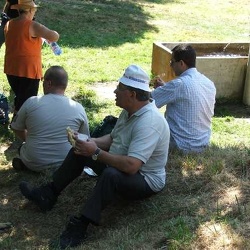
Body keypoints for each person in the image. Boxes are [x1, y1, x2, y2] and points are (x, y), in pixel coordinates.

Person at [19, 64, 170, 248]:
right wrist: (86, 141)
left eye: (119, 88)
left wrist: (96, 152)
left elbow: (132, 166)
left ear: (132, 94)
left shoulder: (149, 122)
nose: (115, 91)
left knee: (111, 175)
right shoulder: (129, 111)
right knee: (79, 150)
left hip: (145, 179)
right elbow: (112, 139)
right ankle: (48, 194)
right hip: (122, 164)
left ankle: (81, 225)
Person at [11, 66, 90, 172]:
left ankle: (26, 165)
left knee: (22, 148)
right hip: (66, 163)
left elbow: (16, 127)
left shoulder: (31, 102)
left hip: (33, 162)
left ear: (49, 83)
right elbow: (85, 138)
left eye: (43, 81)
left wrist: (29, 140)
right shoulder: (78, 108)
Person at [151, 44, 216, 153]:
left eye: (172, 62)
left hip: (180, 145)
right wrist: (165, 88)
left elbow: (145, 101)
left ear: (181, 63)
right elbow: (186, 95)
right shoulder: (208, 83)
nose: (171, 66)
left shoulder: (178, 85)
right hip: (203, 144)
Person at [4, 0, 59, 121]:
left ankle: (17, 122)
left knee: (20, 96)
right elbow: (54, 36)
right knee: (27, 101)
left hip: (11, 69)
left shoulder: (9, 24)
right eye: (34, 9)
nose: (35, 12)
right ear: (29, 10)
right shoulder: (32, 25)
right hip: (28, 70)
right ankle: (19, 126)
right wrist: (45, 30)